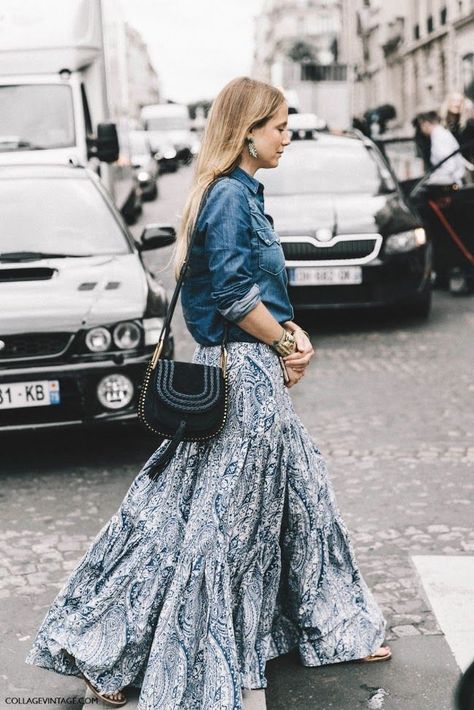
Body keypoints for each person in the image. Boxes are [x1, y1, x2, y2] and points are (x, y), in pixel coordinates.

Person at [25, 77, 390, 709]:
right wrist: (280, 345)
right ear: (247, 132)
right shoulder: (226, 197)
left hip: (258, 371)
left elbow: (261, 293)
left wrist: (291, 335)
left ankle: (332, 627)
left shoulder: (244, 194)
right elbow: (231, 297)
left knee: (295, 501)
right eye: (278, 127)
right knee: (215, 524)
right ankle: (115, 653)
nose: (286, 138)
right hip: (243, 379)